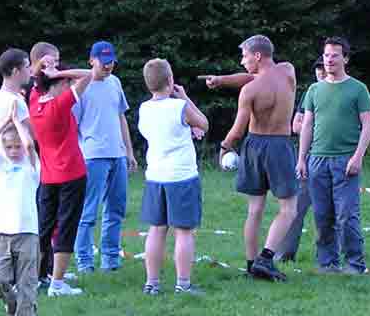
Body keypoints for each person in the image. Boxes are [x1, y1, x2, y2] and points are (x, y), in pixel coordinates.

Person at [216, 35, 297, 282]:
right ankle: (265, 259)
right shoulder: (288, 71)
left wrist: (224, 147)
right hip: (280, 145)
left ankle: (255, 263)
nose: (242, 61)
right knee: (288, 209)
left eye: (245, 56)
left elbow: (237, 130)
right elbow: (253, 75)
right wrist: (222, 80)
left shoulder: (250, 91)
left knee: (255, 209)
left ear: (257, 56)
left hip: (254, 145)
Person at [296, 38, 370, 274]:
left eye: (335, 55)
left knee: (347, 215)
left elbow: (368, 125)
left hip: (345, 159)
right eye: (326, 55)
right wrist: (301, 158)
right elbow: (307, 125)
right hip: (317, 160)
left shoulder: (358, 89)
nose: (329, 60)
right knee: (322, 215)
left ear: (345, 59)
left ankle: (355, 264)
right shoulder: (314, 90)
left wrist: (358, 157)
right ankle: (327, 263)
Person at [138, 59, 209, 295]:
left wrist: (186, 127)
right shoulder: (179, 106)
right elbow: (204, 124)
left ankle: (152, 283)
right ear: (170, 80)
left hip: (155, 176)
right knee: (184, 231)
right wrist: (185, 98)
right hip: (181, 176)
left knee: (156, 229)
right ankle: (183, 283)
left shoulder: (144, 109)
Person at [72, 41, 138, 274]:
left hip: (117, 155)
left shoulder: (115, 83)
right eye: (104, 62)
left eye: (111, 62)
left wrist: (129, 152)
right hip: (92, 157)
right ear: (92, 60)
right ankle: (84, 260)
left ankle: (110, 259)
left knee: (116, 209)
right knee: (88, 211)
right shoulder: (81, 87)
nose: (108, 66)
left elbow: (121, 117)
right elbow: (73, 125)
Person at [29, 64, 92, 297]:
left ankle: (36, 277)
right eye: (66, 83)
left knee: (44, 228)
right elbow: (90, 75)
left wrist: (43, 69)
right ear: (57, 84)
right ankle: (57, 284)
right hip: (71, 175)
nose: (69, 85)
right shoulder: (60, 104)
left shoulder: (35, 102)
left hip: (48, 177)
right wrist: (59, 73)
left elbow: (35, 80)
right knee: (66, 227)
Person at [0, 101, 40, 316]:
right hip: (3, 234)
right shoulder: (0, 167)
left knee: (27, 282)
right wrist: (6, 121)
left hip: (27, 232)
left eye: (17, 146)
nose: (14, 151)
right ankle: (12, 302)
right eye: (9, 147)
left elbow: (30, 144)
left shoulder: (32, 167)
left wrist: (18, 122)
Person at [277, 57, 326, 262]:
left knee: (327, 212)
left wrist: (312, 125)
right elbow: (296, 125)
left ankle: (327, 257)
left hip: (332, 157)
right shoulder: (310, 92)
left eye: (323, 69)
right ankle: (284, 255)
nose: (321, 73)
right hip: (307, 158)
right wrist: (315, 126)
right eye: (318, 69)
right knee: (296, 209)